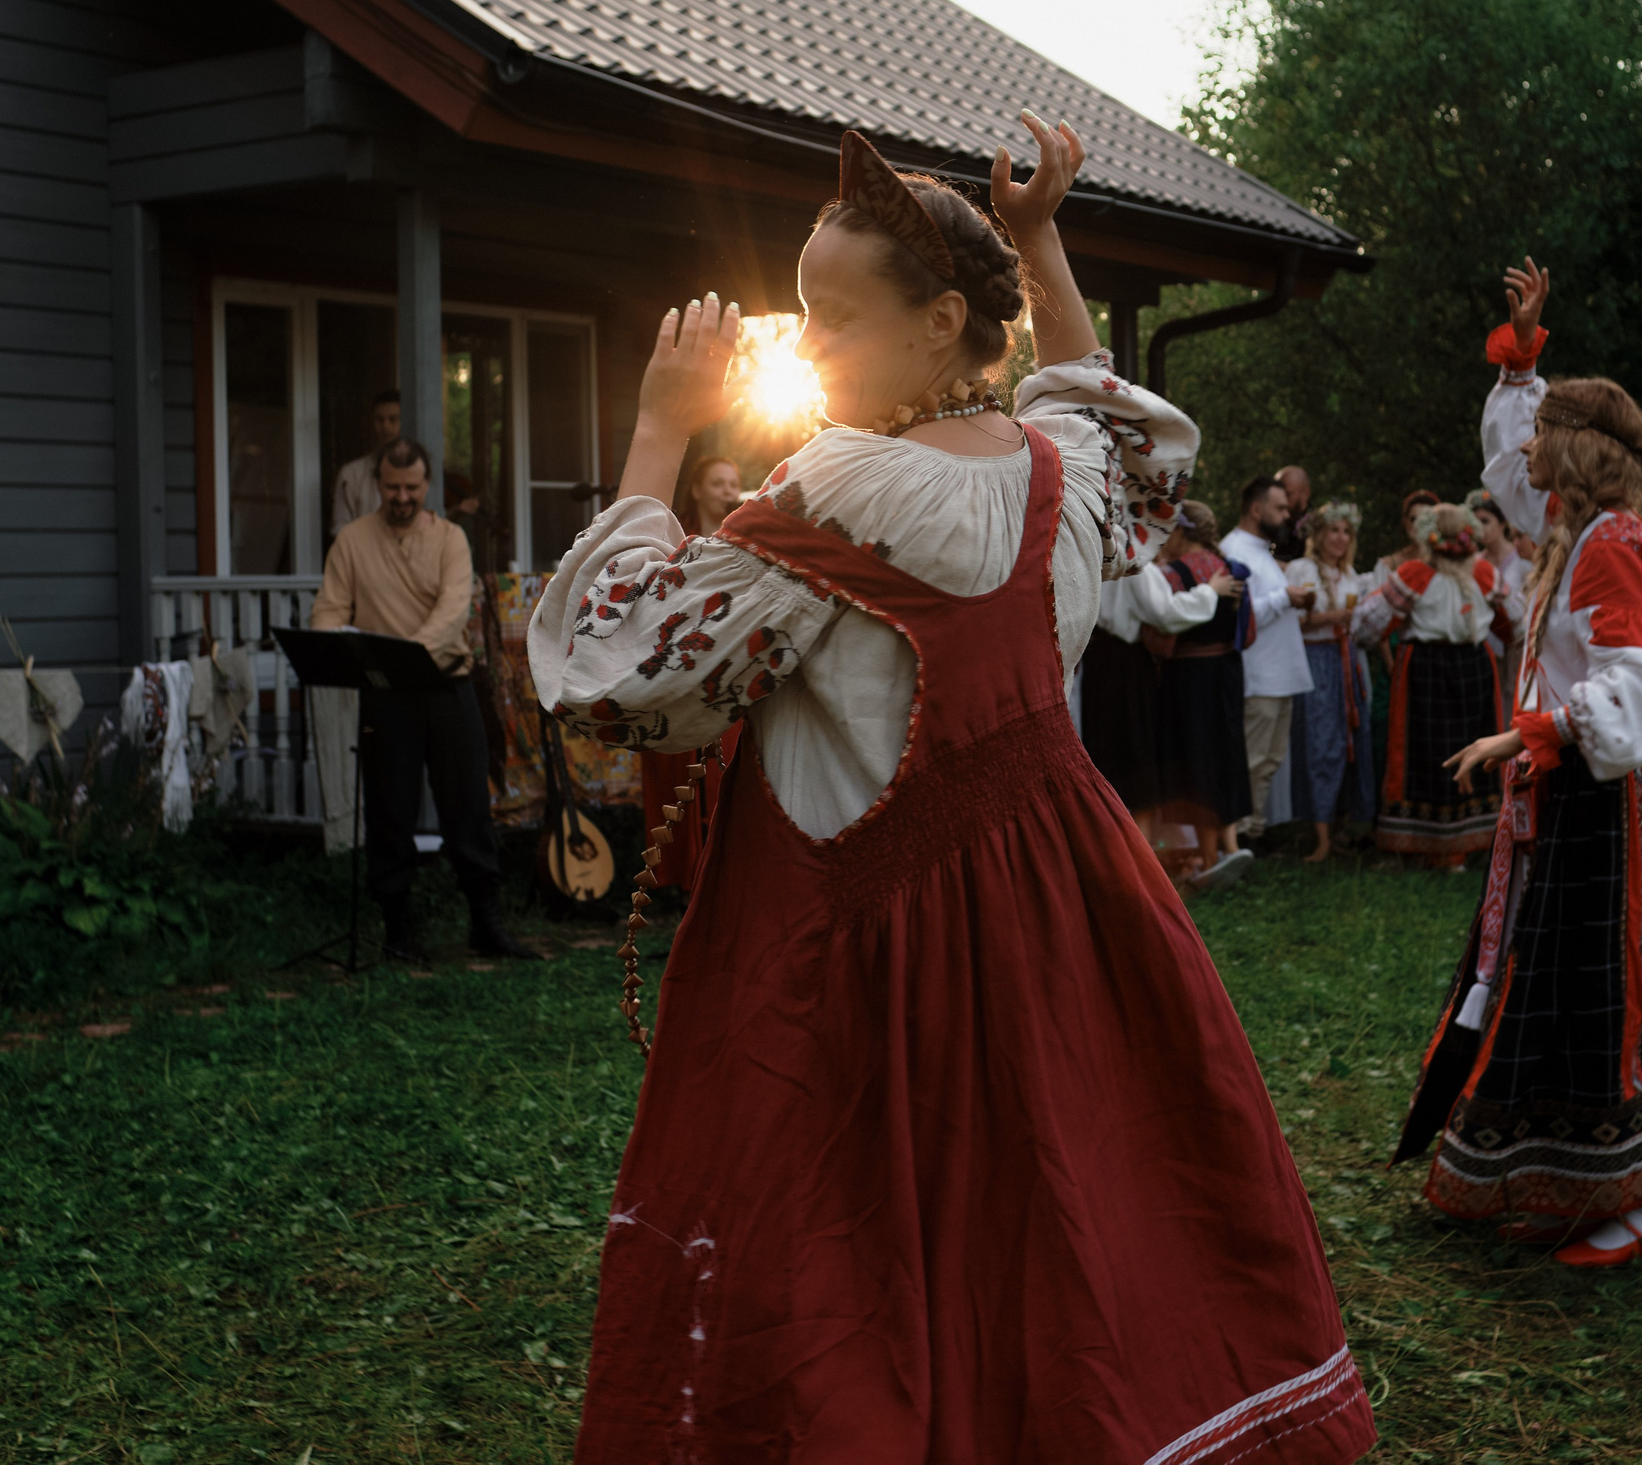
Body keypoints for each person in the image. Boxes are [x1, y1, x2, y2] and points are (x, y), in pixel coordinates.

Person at [529, 121, 1374, 1462]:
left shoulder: (848, 483)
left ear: (937, 324)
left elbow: (619, 662)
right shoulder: (1055, 468)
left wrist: (653, 427)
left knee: (851, 1260)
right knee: (1043, 1219)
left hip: (866, 949)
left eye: (833, 318)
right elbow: (1086, 392)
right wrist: (1039, 238)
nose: (805, 348)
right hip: (1057, 915)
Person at [1400, 256, 1642, 1270]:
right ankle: (1562, 1183)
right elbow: (1507, 477)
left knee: (1594, 991)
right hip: (1557, 795)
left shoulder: (1619, 547)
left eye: (1540, 437)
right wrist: (1520, 355)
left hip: (1604, 801)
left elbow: (1641, 680)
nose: (1523, 456)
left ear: (1577, 454)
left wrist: (1536, 732)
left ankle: (1635, 1205)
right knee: (1539, 979)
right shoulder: (1563, 536)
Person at [312, 437, 539, 962]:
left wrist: (406, 652)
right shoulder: (350, 541)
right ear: (378, 485)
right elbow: (327, 611)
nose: (401, 497)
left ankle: (486, 924)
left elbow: (452, 610)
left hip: (447, 686)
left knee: (468, 807)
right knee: (390, 810)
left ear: (426, 485)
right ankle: (397, 933)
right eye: (391, 488)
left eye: (411, 488)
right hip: (386, 694)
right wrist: (343, 645)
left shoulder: (451, 539)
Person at [1355, 502, 1508, 867]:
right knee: (1474, 742)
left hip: (1424, 667)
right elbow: (1515, 622)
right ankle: (1470, 844)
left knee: (1422, 750)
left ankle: (1420, 844)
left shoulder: (1414, 574)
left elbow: (1366, 625)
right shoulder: (1484, 574)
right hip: (1474, 667)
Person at [638, 453, 752, 899]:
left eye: (733, 482)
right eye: (719, 482)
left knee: (727, 778)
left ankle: (725, 879)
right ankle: (682, 884)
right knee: (676, 778)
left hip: (727, 677)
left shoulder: (745, 539)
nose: (728, 490)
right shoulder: (671, 539)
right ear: (698, 489)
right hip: (676, 675)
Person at [1081, 529, 1231, 818]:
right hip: (1124, 664)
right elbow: (1165, 613)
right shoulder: (1131, 551)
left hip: (1101, 659)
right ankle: (1138, 850)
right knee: (1134, 756)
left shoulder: (1103, 540)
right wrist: (1210, 591)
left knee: (1108, 751)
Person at [1151, 500, 1259, 882]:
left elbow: (1159, 632)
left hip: (1188, 676)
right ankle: (1226, 851)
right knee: (1225, 753)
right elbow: (1248, 632)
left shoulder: (1171, 574)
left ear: (1181, 532)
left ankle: (1210, 859)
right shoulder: (1229, 570)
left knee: (1195, 757)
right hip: (1227, 673)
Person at [1223, 473, 1317, 840]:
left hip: (1281, 673)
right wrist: (1285, 599)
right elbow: (1237, 616)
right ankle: (1241, 835)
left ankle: (1254, 831)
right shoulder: (1233, 550)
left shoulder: (1262, 553)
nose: (1286, 516)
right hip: (1258, 674)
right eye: (1279, 508)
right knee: (1253, 758)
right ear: (1256, 508)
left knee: (1270, 760)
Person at [1285, 502, 1372, 862]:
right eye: (1333, 530)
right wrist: (1326, 617)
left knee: (1352, 739)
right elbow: (1290, 621)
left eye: (1346, 532)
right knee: (1321, 742)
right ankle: (1318, 834)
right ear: (1319, 535)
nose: (1340, 538)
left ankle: (1341, 827)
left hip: (1346, 659)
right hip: (1316, 660)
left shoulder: (1351, 574)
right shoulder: (1301, 569)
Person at [1467, 489, 1531, 709]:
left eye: (1485, 521)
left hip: (1514, 647)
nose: (1480, 529)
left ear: (1503, 523)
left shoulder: (1522, 560)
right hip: (1482, 646)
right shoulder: (1472, 562)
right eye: (1475, 522)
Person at [330, 388, 403, 536]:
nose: (386, 426)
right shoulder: (352, 474)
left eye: (393, 419)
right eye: (380, 420)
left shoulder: (419, 472)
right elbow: (341, 529)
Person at [673, 453, 745, 536]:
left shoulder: (749, 536)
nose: (728, 491)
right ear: (697, 490)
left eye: (734, 485)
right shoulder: (676, 534)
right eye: (717, 484)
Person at [1272, 464, 1313, 563]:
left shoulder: (1318, 526)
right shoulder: (1272, 521)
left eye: (1287, 494)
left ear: (1305, 493)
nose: (1281, 501)